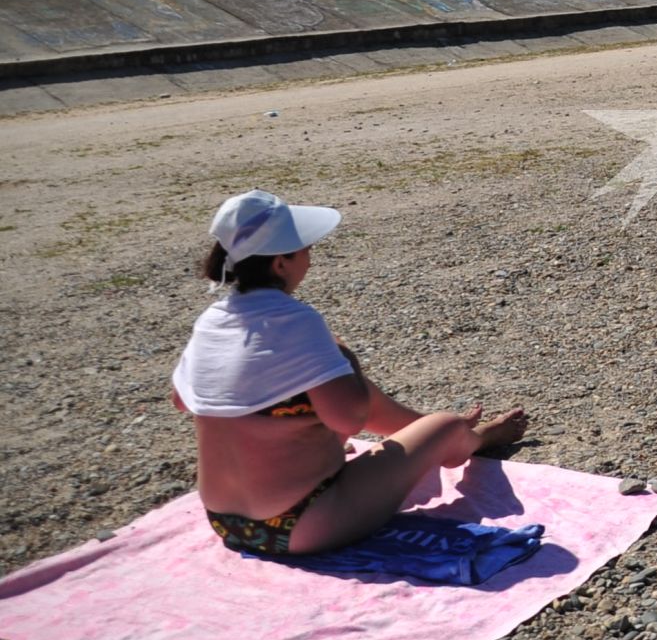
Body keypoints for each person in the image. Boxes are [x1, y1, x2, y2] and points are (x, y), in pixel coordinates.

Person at [170, 191, 529, 557]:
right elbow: (351, 417)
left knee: (313, 393)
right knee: (443, 423)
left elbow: (182, 399)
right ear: (281, 263)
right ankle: (466, 439)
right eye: (306, 249)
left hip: (222, 521)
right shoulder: (296, 321)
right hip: (299, 522)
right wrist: (343, 356)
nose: (309, 257)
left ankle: (421, 433)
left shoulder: (212, 321)